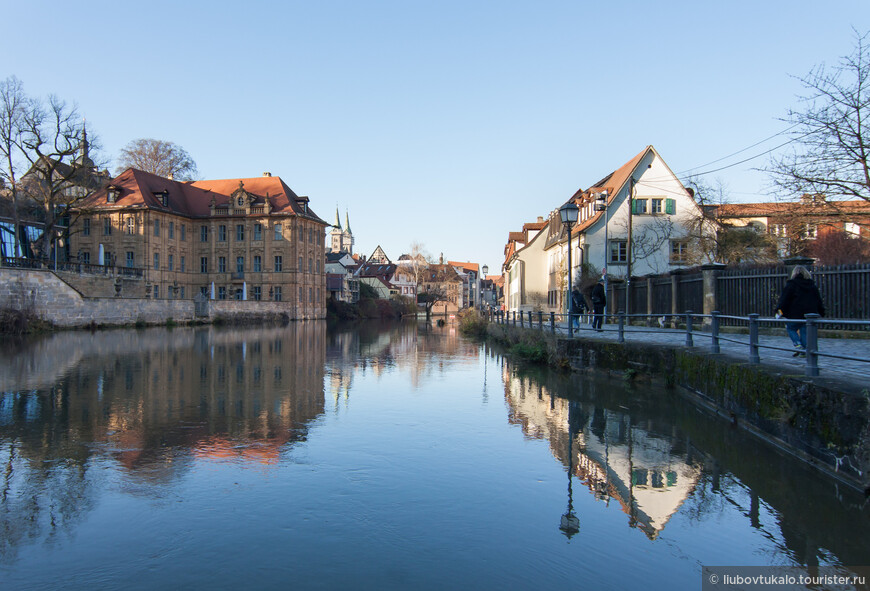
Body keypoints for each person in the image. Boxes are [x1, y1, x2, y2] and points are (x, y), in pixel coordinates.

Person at [775, 265, 825, 356]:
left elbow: (784, 299)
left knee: (790, 328)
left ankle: (798, 345)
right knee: (804, 330)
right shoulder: (812, 285)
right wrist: (822, 312)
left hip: (795, 314)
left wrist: (778, 310)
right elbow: (818, 300)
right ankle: (805, 350)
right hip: (809, 314)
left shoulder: (791, 285)